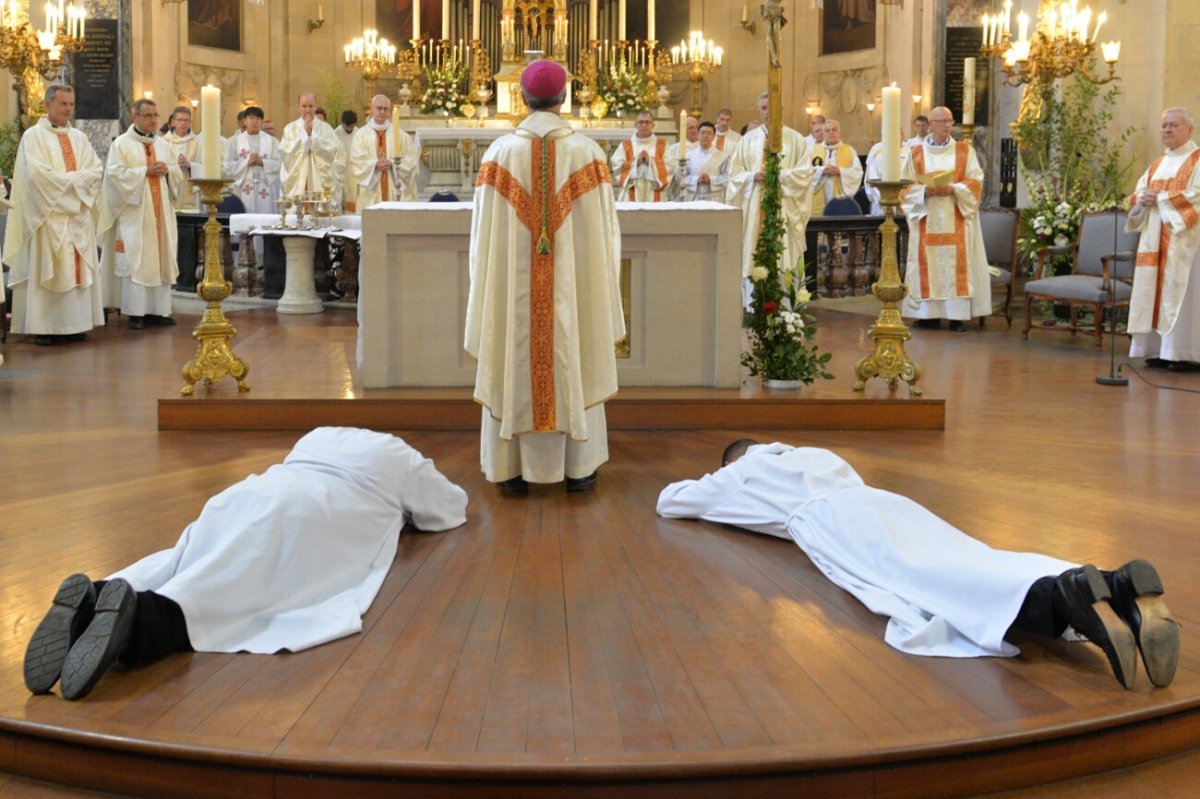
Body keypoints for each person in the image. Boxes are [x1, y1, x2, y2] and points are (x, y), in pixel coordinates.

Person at [657, 439, 1180, 690]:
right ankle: (1113, 586)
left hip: (832, 521)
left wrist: (721, 476)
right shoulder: (813, 454)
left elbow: (670, 501)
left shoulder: (739, 475)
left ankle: (1061, 596)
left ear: (735, 458)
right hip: (883, 501)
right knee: (968, 558)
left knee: (926, 584)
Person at [22, 427, 468, 701]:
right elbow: (448, 509)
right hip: (308, 514)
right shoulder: (403, 458)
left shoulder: (320, 434)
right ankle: (139, 628)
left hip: (252, 491)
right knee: (230, 589)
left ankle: (95, 598)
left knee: (188, 556)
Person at [466, 60, 624, 494]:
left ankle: (510, 470)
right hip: (569, 292)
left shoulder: (499, 154)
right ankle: (579, 467)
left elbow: (481, 242)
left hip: (515, 293)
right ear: (563, 98)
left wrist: (485, 281)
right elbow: (606, 238)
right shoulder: (588, 153)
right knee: (573, 345)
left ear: (523, 98)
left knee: (513, 350)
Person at [3, 84, 105, 346]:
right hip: (48, 215)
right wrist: (74, 183)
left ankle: (76, 324)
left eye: (71, 104)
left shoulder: (79, 138)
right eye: (63, 104)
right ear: (47, 105)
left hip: (77, 217)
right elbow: (38, 177)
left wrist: (70, 183)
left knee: (77, 270)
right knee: (49, 267)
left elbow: (94, 170)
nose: (68, 109)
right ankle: (46, 327)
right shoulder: (33, 137)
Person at [900, 106, 991, 332]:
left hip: (955, 216)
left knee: (955, 266)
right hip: (926, 218)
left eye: (951, 121)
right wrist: (923, 192)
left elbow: (976, 182)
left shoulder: (964, 151)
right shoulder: (916, 153)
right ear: (931, 124)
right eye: (943, 121)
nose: (949, 126)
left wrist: (954, 188)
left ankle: (956, 316)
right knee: (926, 264)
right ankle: (926, 315)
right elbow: (903, 186)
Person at [98, 99, 184, 330]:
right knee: (135, 259)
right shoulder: (122, 145)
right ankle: (135, 312)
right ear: (135, 117)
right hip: (134, 215)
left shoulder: (164, 145)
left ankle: (158, 310)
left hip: (160, 214)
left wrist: (169, 172)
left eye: (156, 115)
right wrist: (144, 171)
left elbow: (176, 172)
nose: (153, 120)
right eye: (147, 115)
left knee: (160, 257)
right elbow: (115, 176)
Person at [1126, 107, 1200, 372]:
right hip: (1154, 240)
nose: (1167, 130)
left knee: (1185, 295)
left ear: (1189, 130)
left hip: (1186, 243)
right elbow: (1138, 193)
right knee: (1152, 293)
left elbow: (1196, 196)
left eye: (1174, 125)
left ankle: (1185, 352)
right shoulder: (1157, 163)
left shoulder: (1197, 160)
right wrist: (1142, 199)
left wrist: (1159, 198)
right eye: (1164, 125)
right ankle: (1160, 350)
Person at [728, 91, 815, 308]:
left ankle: (786, 303)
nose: (768, 113)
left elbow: (805, 174)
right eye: (764, 108)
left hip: (785, 207)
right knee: (754, 248)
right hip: (755, 205)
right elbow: (734, 175)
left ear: (782, 109)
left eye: (773, 108)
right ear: (760, 110)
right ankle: (754, 304)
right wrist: (752, 177)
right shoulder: (747, 140)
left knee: (784, 251)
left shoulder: (796, 140)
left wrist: (778, 177)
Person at [349, 94, 419, 207]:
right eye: (379, 108)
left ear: (389, 111)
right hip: (371, 191)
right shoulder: (360, 135)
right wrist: (374, 164)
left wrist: (392, 163)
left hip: (394, 187)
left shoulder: (402, 136)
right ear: (372, 109)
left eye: (385, 109)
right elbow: (356, 161)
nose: (382, 111)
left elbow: (411, 161)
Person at [279, 92, 342, 200]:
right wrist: (305, 136)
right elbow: (285, 152)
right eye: (304, 106)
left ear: (315, 107)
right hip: (298, 179)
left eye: (310, 106)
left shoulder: (326, 128)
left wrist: (313, 136)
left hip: (319, 178)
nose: (307, 110)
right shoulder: (290, 128)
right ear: (298, 107)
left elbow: (333, 150)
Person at [224, 105, 281, 214]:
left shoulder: (272, 141)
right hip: (244, 186)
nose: (254, 122)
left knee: (265, 219)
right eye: (251, 118)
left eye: (258, 119)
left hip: (265, 186)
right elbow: (227, 166)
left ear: (261, 122)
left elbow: (280, 163)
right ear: (245, 121)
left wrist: (262, 162)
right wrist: (246, 162)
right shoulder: (235, 142)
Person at [610, 110, 671, 202]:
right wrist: (636, 162)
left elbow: (670, 166)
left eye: (647, 122)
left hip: (655, 192)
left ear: (653, 125)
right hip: (631, 191)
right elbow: (616, 166)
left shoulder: (663, 145)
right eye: (641, 122)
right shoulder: (625, 145)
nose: (644, 125)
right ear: (635, 125)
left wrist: (649, 162)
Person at [810, 118, 863, 216]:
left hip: (841, 197)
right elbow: (805, 172)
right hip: (818, 197)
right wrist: (821, 171)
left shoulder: (849, 150)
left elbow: (858, 172)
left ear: (839, 132)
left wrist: (840, 171)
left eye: (834, 130)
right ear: (823, 134)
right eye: (827, 130)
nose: (831, 132)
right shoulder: (812, 150)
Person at [674, 120, 730, 203]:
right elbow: (679, 177)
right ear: (697, 135)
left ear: (714, 136)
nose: (705, 136)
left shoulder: (722, 157)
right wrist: (697, 180)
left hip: (714, 199)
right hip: (692, 198)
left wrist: (710, 179)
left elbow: (728, 178)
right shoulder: (688, 156)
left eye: (709, 133)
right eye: (702, 133)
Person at [161, 106, 201, 212]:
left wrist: (190, 165)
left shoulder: (197, 142)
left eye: (186, 120)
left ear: (190, 122)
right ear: (173, 121)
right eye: (180, 120)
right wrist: (173, 166)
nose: (183, 123)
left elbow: (205, 167)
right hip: (171, 189)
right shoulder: (163, 142)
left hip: (191, 191)